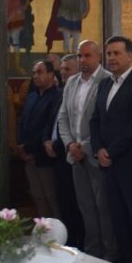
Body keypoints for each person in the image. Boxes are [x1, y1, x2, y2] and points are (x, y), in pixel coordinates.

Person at [90, 36, 132, 263]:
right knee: (117, 216)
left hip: (129, 163)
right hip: (108, 163)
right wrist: (98, 149)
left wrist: (111, 152)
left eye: (117, 53)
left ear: (130, 55)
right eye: (109, 53)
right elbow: (95, 120)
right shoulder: (104, 84)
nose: (112, 58)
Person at [56, 40, 115, 259]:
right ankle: (92, 254)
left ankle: (109, 255)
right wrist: (70, 144)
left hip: (96, 155)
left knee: (104, 208)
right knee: (86, 208)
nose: (82, 60)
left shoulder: (107, 80)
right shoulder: (72, 82)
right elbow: (63, 117)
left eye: (87, 56)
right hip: (75, 156)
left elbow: (105, 122)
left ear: (99, 57)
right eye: (80, 56)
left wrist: (87, 146)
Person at [44, 54, 85, 250]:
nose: (62, 73)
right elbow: (55, 121)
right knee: (63, 205)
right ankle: (67, 244)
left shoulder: (81, 93)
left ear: (78, 70)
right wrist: (47, 142)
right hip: (59, 158)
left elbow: (77, 126)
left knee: (77, 207)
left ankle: (79, 245)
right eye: (61, 69)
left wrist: (60, 145)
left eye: (67, 69)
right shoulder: (60, 93)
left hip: (73, 154)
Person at [17, 61, 61, 217]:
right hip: (28, 156)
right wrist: (21, 146)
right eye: (34, 72)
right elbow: (23, 122)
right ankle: (43, 229)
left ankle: (57, 230)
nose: (35, 76)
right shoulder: (31, 97)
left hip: (45, 157)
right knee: (38, 197)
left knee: (52, 197)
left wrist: (31, 149)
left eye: (40, 72)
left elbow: (48, 128)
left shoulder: (57, 97)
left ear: (51, 74)